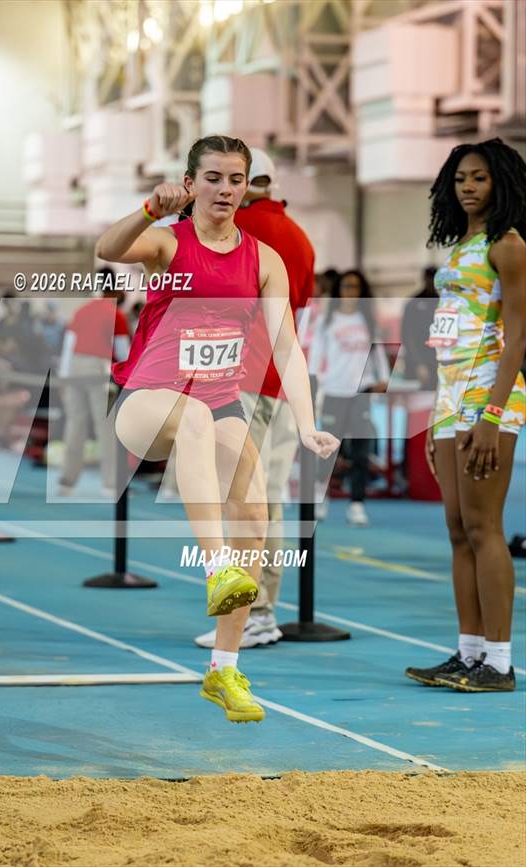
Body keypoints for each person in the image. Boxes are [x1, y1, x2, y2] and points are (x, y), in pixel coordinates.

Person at [96, 134, 339, 723]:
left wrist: (307, 423)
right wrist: (149, 208)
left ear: (249, 184)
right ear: (191, 182)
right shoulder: (167, 243)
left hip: (220, 403)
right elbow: (106, 248)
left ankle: (224, 672)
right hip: (149, 402)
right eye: (212, 178)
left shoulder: (265, 260)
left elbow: (287, 347)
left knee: (255, 514)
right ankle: (215, 565)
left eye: (235, 179)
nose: (225, 189)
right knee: (199, 419)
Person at [405, 137, 526, 693]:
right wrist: (437, 415)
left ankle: (499, 664)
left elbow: (518, 335)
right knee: (457, 530)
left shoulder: (509, 245)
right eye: (460, 180)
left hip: (489, 398)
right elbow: (446, 340)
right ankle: (468, 652)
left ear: (501, 182)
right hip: (454, 398)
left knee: (483, 527)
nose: (469, 188)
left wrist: (492, 413)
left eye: (479, 178)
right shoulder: (460, 248)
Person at [194, 147, 316, 649]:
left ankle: (255, 612)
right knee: (265, 499)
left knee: (243, 499)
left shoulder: (242, 233)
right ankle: (261, 609)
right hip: (280, 380)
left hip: (242, 377)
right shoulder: (300, 238)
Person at [308, 269, 390, 526]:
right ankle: (322, 499)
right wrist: (312, 384)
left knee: (360, 451)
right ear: (339, 291)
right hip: (334, 391)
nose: (350, 292)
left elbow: (376, 353)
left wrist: (383, 377)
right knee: (329, 450)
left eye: (355, 287)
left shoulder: (367, 320)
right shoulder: (327, 321)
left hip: (361, 392)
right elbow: (314, 359)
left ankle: (356, 504)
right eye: (346, 287)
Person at [57, 269, 131, 496]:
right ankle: (110, 483)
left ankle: (66, 483)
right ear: (115, 287)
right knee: (106, 427)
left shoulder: (82, 311)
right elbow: (123, 351)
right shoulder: (115, 314)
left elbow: (68, 346)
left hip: (75, 368)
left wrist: (64, 376)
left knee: (75, 425)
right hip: (97, 369)